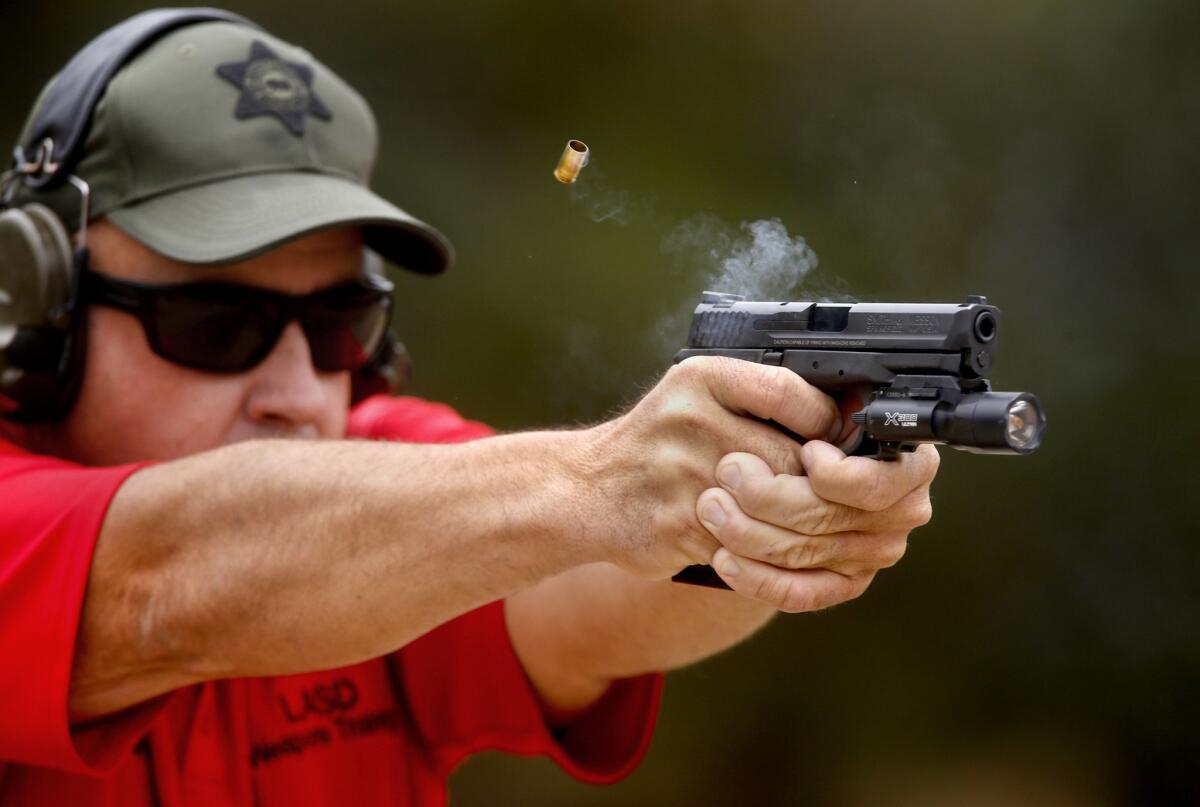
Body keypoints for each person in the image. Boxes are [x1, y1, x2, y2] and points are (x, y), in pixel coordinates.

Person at [0, 11, 939, 806]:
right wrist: (607, 481)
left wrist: (762, 499)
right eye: (214, 321)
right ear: (38, 303)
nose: (297, 394)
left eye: (339, 323)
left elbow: (595, 594)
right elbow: (167, 579)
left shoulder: (384, 482)